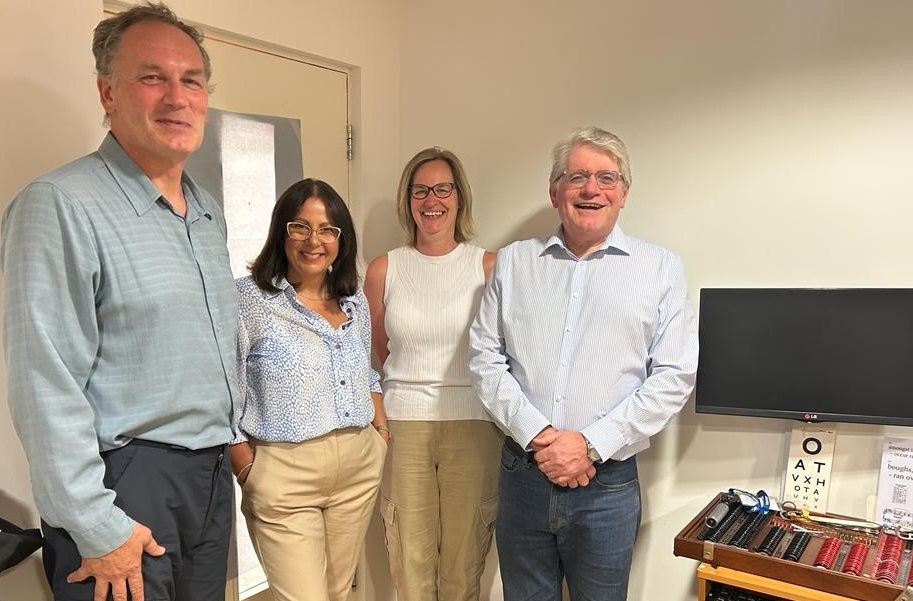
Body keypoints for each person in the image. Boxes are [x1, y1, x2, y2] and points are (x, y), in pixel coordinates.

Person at [1, 4, 237, 601]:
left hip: (209, 478)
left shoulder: (206, 212)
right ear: (107, 92)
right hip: (126, 485)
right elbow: (44, 381)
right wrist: (96, 524)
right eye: (152, 77)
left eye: (192, 81)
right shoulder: (60, 203)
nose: (177, 97)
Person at [468, 126, 699, 601]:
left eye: (606, 178)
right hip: (524, 474)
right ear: (555, 192)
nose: (591, 189)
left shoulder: (660, 268)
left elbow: (674, 375)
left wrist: (591, 444)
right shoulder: (514, 262)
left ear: (624, 194)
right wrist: (538, 434)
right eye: (577, 177)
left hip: (607, 486)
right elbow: (484, 357)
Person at [230, 178, 389, 601]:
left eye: (327, 229)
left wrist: (381, 433)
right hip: (284, 472)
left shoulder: (353, 299)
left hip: (357, 464)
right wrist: (245, 466)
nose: (313, 241)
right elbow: (223, 390)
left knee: (337, 594)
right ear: (281, 231)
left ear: (341, 239)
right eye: (300, 227)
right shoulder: (248, 299)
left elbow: (366, 373)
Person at [364, 147, 503, 601]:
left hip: (474, 423)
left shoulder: (488, 266)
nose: (432, 200)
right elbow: (381, 350)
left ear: (459, 197)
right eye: (420, 190)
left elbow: (501, 351)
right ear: (408, 200)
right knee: (410, 561)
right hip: (403, 425)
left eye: (443, 189)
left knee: (464, 563)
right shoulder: (384, 268)